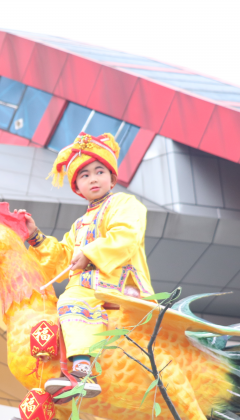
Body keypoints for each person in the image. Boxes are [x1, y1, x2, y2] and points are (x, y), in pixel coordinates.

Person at [22, 132, 153, 400]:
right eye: (84, 175)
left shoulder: (124, 203)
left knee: (70, 300)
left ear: (112, 178)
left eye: (99, 171)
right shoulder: (79, 224)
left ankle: (83, 371)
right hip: (85, 286)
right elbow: (63, 258)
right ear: (77, 188)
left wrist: (90, 254)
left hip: (116, 285)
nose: (93, 178)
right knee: (47, 324)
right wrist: (35, 236)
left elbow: (127, 235)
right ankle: (50, 408)